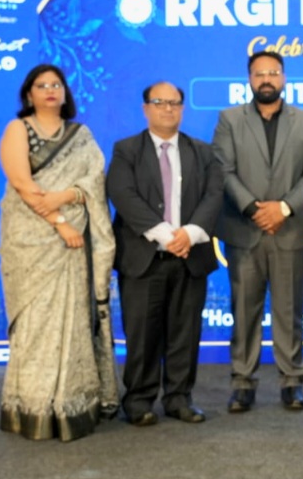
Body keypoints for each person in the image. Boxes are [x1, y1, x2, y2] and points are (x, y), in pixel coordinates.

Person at [0, 64, 118, 441]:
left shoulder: (81, 136)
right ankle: (32, 407)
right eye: (41, 85)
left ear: (65, 93)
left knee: (73, 319)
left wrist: (67, 196)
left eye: (56, 84)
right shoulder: (18, 129)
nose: (50, 90)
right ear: (28, 94)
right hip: (31, 242)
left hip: (73, 248)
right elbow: (22, 183)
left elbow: (93, 182)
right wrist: (61, 222)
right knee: (36, 322)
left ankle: (73, 403)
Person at [106, 82, 223, 426]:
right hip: (145, 258)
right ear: (146, 108)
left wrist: (190, 233)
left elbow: (214, 194)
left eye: (174, 103)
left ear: (182, 108)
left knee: (185, 334)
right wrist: (165, 235)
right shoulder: (127, 150)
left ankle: (179, 398)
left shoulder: (202, 151)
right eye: (159, 102)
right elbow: (122, 194)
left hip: (190, 257)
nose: (168, 109)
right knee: (142, 335)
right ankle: (138, 400)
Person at [212, 51, 303, 413]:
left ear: (284, 78)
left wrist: (283, 208)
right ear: (249, 79)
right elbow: (223, 170)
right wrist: (254, 209)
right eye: (259, 74)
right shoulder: (229, 119)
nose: (266, 80)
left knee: (289, 312)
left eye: (273, 73)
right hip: (245, 229)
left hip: (291, 229)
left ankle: (292, 381)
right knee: (244, 312)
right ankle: (243, 382)